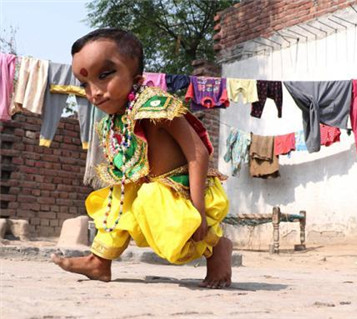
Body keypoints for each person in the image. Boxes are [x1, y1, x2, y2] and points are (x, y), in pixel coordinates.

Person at [51, 28, 233, 288]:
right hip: (147, 189)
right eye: (85, 84)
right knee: (116, 196)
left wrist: (199, 211)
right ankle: (99, 261)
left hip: (182, 191)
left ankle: (216, 248)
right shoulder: (115, 120)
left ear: (136, 78)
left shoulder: (156, 105)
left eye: (104, 75)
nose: (95, 92)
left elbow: (198, 152)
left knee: (168, 223)